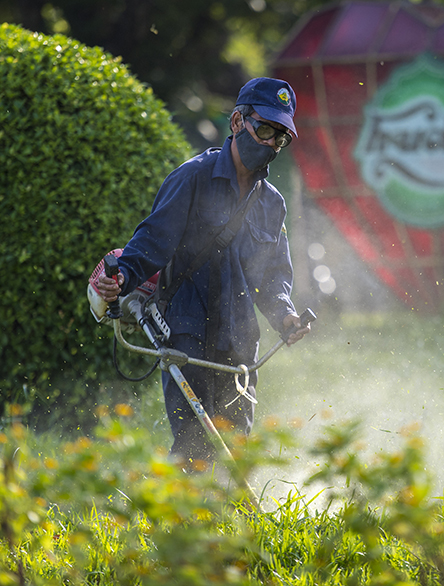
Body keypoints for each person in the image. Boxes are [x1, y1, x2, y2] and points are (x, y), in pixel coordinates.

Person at [95, 77, 310, 469]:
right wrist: (121, 277)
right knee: (195, 442)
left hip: (240, 341)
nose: (271, 145)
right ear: (236, 122)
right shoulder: (192, 177)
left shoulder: (272, 205)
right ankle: (179, 524)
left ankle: (226, 526)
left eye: (281, 138)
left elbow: (273, 277)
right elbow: (151, 242)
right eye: (264, 130)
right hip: (186, 332)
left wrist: (285, 315)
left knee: (235, 445)